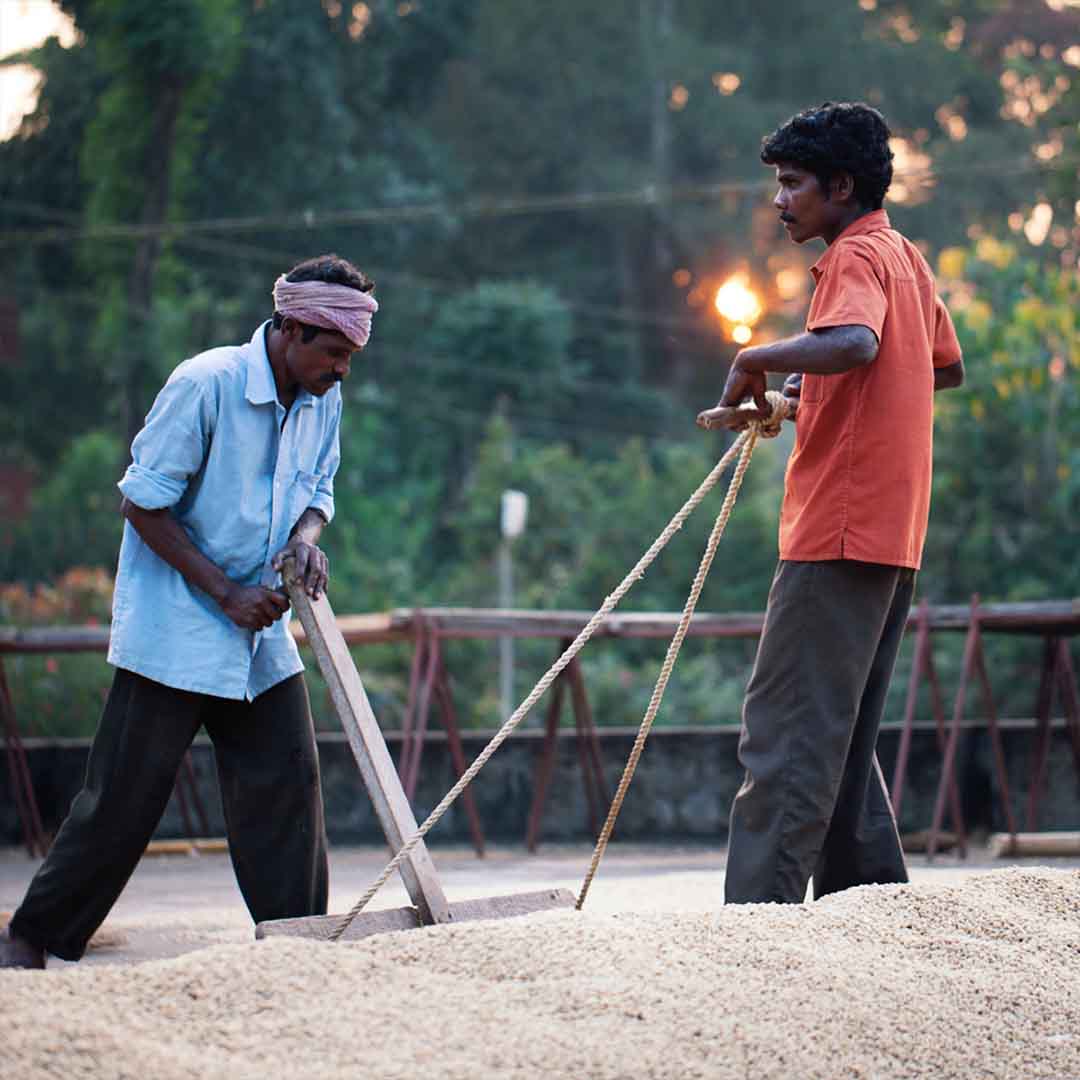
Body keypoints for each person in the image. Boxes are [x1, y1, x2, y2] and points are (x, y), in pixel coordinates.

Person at [0, 253, 377, 968]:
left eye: (351, 356)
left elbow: (317, 494)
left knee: (289, 781)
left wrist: (305, 543)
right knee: (124, 799)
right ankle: (30, 938)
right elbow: (142, 504)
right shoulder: (204, 384)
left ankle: (296, 949)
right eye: (334, 353)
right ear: (293, 329)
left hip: (260, 635)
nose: (343, 371)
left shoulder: (324, 399)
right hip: (175, 626)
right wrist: (225, 593)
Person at [697, 102, 964, 904]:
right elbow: (940, 365)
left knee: (785, 738)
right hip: (892, 535)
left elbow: (857, 344)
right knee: (842, 742)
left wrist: (756, 354)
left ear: (840, 188)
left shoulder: (853, 257)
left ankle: (757, 927)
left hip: (837, 532)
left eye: (792, 184)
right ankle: (873, 913)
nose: (780, 201)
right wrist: (807, 390)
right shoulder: (904, 258)